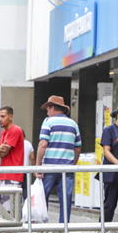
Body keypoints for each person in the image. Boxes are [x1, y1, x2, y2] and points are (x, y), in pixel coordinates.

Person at [35, 95, 81, 223]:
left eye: (48, 109)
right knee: (65, 201)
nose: (47, 112)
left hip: (49, 167)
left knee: (43, 199)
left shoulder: (48, 122)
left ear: (53, 108)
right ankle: (63, 230)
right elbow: (77, 148)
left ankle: (42, 227)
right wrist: (73, 164)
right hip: (67, 169)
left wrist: (38, 165)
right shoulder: (73, 124)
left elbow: (43, 144)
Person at [0, 107, 24, 233]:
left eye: (3, 116)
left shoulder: (15, 130)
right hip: (3, 174)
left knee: (9, 210)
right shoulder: (3, 133)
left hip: (13, 175)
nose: (0, 119)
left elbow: (3, 152)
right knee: (3, 211)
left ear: (10, 116)